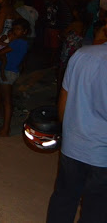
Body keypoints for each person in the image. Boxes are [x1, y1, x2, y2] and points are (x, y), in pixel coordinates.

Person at [46, 43, 107, 223]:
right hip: (101, 154)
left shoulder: (82, 54)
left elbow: (64, 99)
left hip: (73, 146)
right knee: (96, 209)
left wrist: (67, 135)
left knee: (64, 198)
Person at [0, 18, 29, 136]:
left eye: (19, 29)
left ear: (25, 31)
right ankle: (4, 126)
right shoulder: (20, 42)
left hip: (8, 71)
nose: (16, 31)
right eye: (15, 29)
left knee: (7, 101)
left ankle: (5, 129)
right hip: (10, 70)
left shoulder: (19, 42)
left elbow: (0, 52)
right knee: (6, 100)